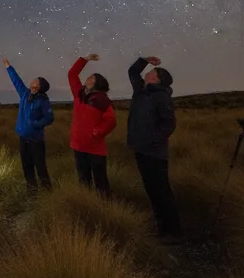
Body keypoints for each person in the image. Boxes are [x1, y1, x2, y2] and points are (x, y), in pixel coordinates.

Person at [127, 55, 180, 241]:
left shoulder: (162, 97)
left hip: (155, 153)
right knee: (151, 190)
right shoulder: (141, 91)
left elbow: (169, 124)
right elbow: (133, 71)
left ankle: (173, 232)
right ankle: (161, 227)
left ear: (157, 79)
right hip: (141, 150)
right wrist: (144, 60)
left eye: (152, 72)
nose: (148, 73)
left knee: (161, 191)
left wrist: (152, 141)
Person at [2, 57, 54, 192]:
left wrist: (35, 124)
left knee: (40, 166)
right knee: (27, 166)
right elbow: (17, 81)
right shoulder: (25, 94)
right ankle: (31, 190)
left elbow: (49, 117)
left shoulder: (43, 100)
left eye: (35, 82)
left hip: (36, 140)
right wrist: (8, 67)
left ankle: (47, 191)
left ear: (39, 86)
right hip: (23, 138)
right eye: (33, 81)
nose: (32, 83)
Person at [67, 52, 116, 194]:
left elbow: (111, 120)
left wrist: (96, 132)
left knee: (101, 182)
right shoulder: (79, 94)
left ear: (98, 83)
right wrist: (86, 59)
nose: (88, 78)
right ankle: (87, 203)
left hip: (95, 147)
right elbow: (72, 74)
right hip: (78, 145)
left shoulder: (102, 100)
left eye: (92, 78)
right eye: (89, 76)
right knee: (83, 180)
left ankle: (104, 204)